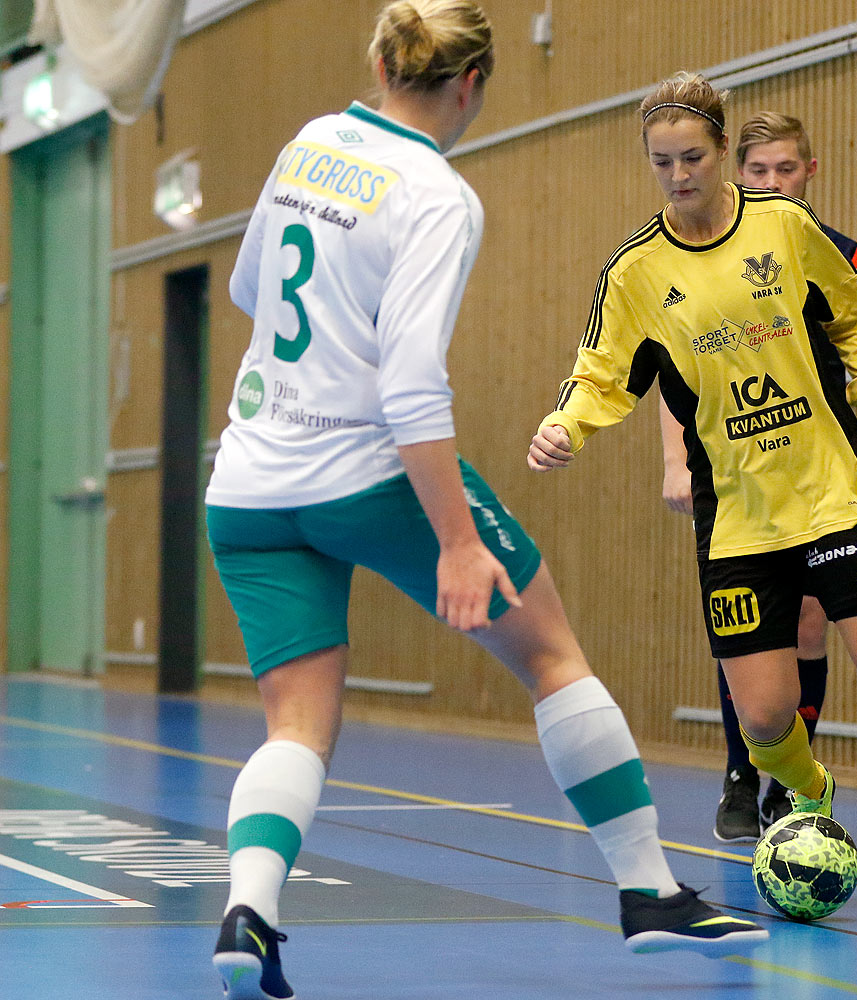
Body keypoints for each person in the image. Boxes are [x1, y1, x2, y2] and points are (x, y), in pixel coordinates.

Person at [205, 9, 765, 997]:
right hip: (365, 472)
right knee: (550, 654)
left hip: (248, 480)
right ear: (472, 87)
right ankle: (646, 889)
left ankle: (248, 911)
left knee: (295, 724)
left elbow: (253, 290)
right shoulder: (436, 196)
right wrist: (458, 542)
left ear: (378, 63)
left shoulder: (310, 143)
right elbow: (411, 386)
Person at [529, 72, 857, 915]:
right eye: (662, 162)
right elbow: (602, 376)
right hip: (739, 523)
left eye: (692, 157)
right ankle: (810, 786)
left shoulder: (786, 230)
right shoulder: (637, 274)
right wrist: (567, 425)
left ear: (723, 153)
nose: (679, 174)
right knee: (763, 722)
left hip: (832, 497)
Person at [657, 111, 857, 842]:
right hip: (740, 477)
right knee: (757, 631)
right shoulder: (699, 251)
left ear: (810, 173)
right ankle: (743, 768)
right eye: (759, 171)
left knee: (812, 621)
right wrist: (675, 460)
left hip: (823, 472)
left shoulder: (839, 254)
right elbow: (677, 371)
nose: (773, 183)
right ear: (739, 173)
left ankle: (790, 784)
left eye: (787, 170)